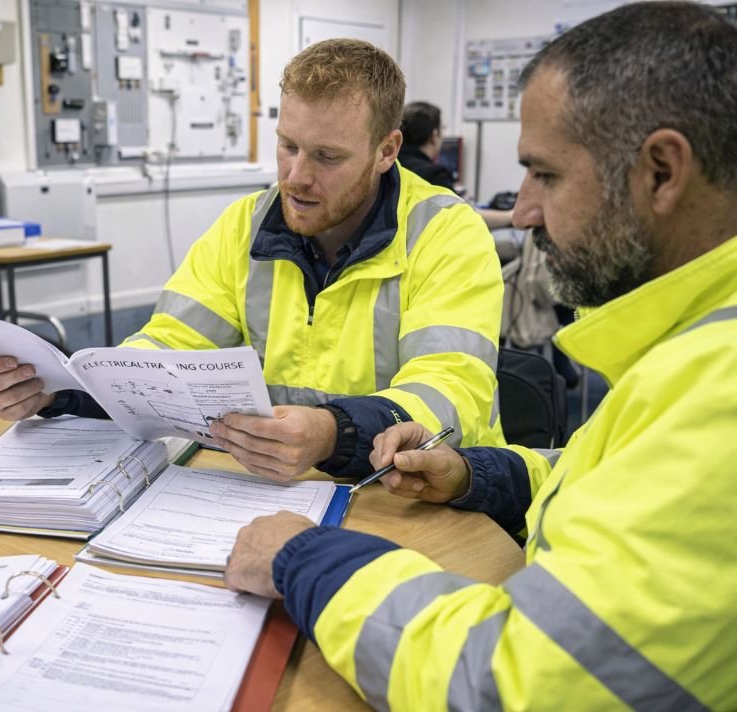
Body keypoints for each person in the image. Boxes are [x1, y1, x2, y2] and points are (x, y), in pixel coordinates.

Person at [224, 3, 737, 709]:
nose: (522, 211)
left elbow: (509, 686)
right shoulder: (696, 350)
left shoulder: (720, 393)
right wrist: (476, 474)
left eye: (545, 175)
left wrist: (303, 558)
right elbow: (612, 476)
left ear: (661, 172)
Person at [0, 39, 506, 481]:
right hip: (271, 490)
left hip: (415, 494)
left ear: (387, 150)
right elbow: (166, 350)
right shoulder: (243, 226)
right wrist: (63, 391)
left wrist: (333, 433)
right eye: (288, 145)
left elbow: (450, 390)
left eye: (327, 156)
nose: (296, 177)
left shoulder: (446, 232)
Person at [399, 100, 514, 229]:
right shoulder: (433, 175)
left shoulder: (391, 165)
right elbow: (464, 217)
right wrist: (510, 216)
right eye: (442, 129)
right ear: (434, 135)